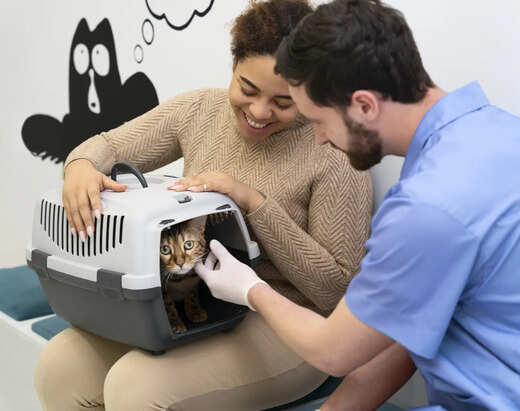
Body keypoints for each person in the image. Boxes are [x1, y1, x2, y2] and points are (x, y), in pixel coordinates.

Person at [195, 0, 520, 410]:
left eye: (320, 122)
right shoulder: (513, 136)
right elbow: (404, 330)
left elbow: (332, 352)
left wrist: (249, 288)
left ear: (364, 105)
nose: (320, 139)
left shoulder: (428, 206)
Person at [34, 1, 373, 410]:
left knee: (135, 387)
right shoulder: (201, 110)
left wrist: (251, 201)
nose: (259, 112)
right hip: (195, 301)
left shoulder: (335, 151)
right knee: (60, 365)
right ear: (234, 66)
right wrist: (80, 166)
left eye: (283, 102)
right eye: (247, 89)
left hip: (290, 326)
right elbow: (109, 147)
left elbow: (338, 292)